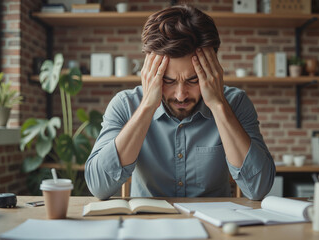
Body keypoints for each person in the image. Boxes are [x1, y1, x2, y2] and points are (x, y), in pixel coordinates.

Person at [85, 4, 275, 200]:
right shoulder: (125, 105)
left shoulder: (235, 104)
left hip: (214, 227)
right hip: (148, 226)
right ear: (150, 74)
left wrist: (218, 105)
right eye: (168, 81)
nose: (181, 95)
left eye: (194, 80)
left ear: (212, 70)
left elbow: (258, 189)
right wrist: (147, 106)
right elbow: (99, 187)